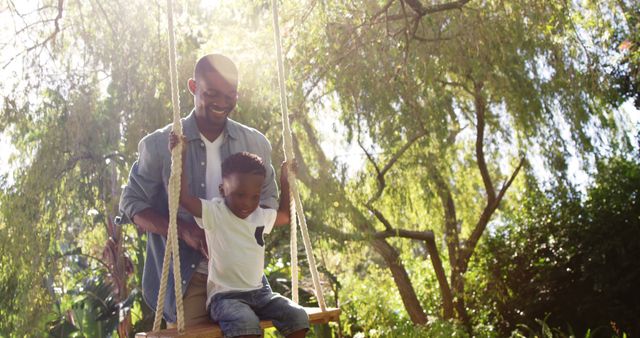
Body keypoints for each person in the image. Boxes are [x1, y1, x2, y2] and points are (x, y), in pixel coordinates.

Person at [118, 54, 278, 326]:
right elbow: (131, 204)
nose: (222, 103)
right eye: (211, 93)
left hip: (241, 279)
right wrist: (183, 230)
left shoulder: (255, 143)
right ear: (193, 87)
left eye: (230, 95)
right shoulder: (159, 145)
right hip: (186, 277)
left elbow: (269, 203)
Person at [170, 133, 309, 337]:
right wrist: (180, 156)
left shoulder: (260, 215)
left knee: (297, 315)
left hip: (261, 294)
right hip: (225, 297)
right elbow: (183, 199)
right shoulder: (215, 212)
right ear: (222, 190)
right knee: (245, 322)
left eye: (255, 197)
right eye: (239, 194)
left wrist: (285, 180)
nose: (247, 203)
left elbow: (286, 216)